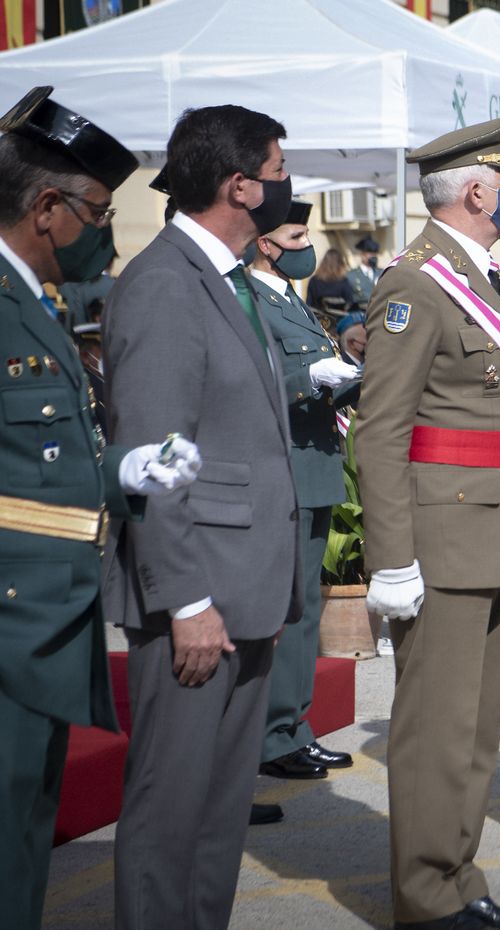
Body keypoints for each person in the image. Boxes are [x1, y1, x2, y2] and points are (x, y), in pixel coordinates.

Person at [0, 86, 201, 930]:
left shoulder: (34, 302)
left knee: (24, 832)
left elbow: (45, 454)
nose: (104, 233)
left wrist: (126, 468)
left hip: (45, 617)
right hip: (12, 617)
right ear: (47, 209)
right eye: (96, 212)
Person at [101, 103, 299, 930]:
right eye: (279, 171)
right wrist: (186, 601)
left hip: (242, 588)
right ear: (239, 185)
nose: (288, 187)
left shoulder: (224, 277)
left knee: (218, 813)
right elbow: (155, 461)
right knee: (171, 810)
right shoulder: (165, 283)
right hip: (197, 597)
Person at [355, 117, 500, 930]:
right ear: (476, 191)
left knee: (475, 729)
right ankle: (426, 895)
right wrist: (392, 559)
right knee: (437, 727)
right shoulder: (417, 282)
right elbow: (382, 429)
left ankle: (458, 877)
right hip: (445, 538)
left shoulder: (483, 275)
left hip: (496, 530)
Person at [248, 199, 360, 816]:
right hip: (287, 467)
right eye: (296, 236)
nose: (306, 245)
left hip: (314, 464)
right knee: (288, 607)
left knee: (305, 605)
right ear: (266, 244)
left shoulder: (290, 300)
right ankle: (277, 735)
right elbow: (259, 379)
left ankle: (292, 727)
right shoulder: (252, 299)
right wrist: (309, 380)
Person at [307, 247, 357, 312]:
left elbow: (308, 304)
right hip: (339, 317)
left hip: (318, 316)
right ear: (340, 263)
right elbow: (350, 303)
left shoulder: (314, 280)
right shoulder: (343, 281)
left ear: (323, 262)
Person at [345, 234, 381, 308]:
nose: (373, 256)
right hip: (361, 310)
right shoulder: (352, 275)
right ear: (362, 255)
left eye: (374, 254)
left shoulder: (381, 273)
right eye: (370, 254)